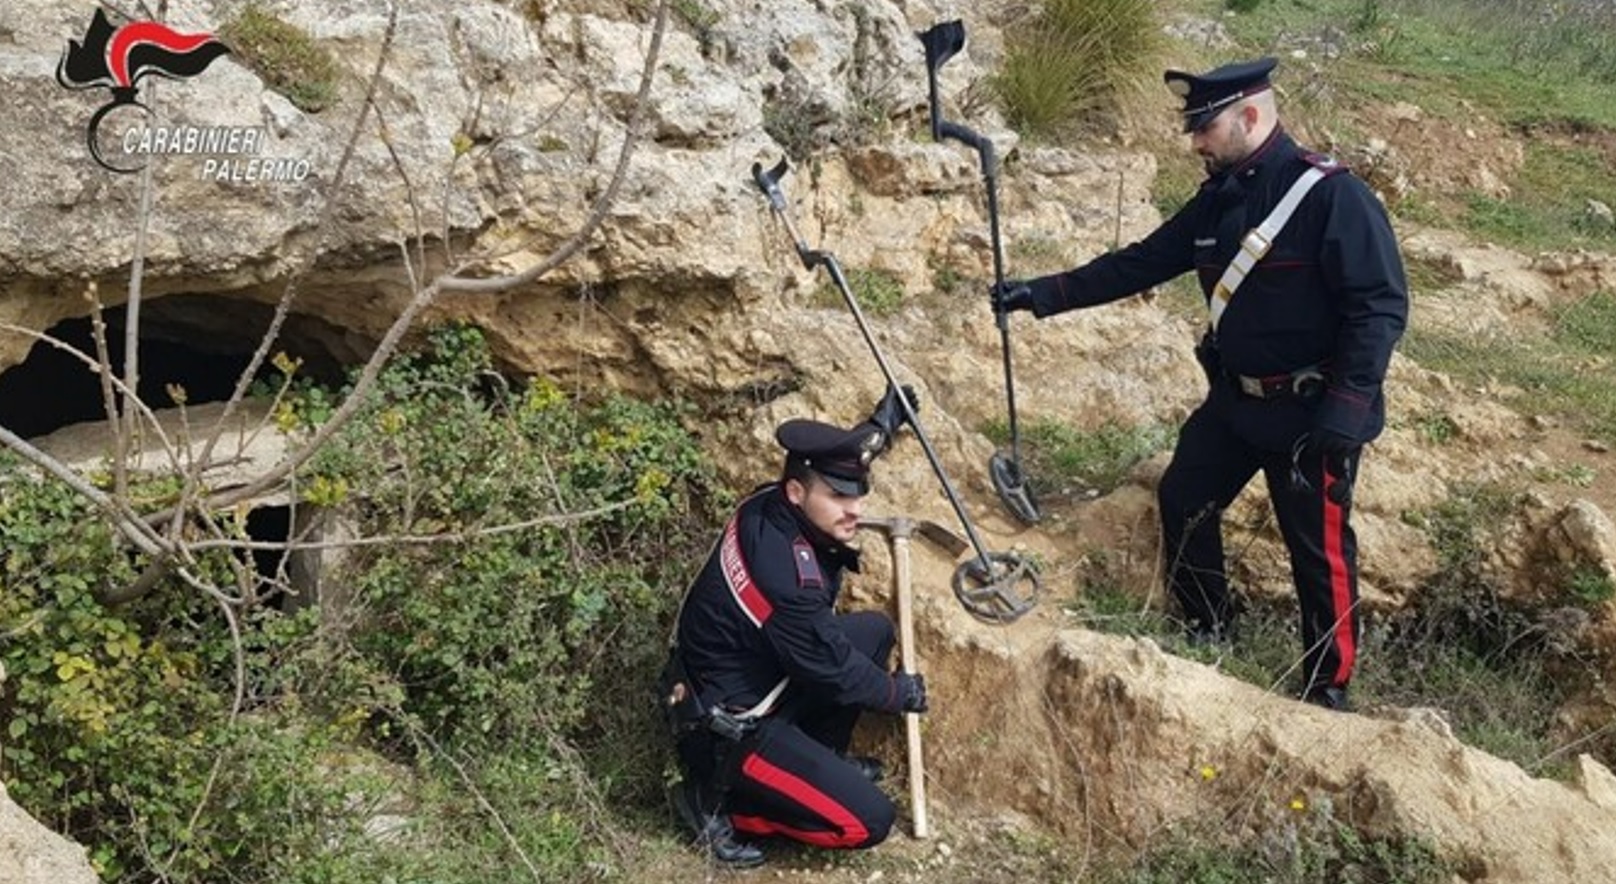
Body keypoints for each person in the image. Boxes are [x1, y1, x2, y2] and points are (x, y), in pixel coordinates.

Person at [993, 57, 1407, 711]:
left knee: (1318, 552)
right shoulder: (1220, 196)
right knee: (1185, 497)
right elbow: (1143, 261)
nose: (1195, 142)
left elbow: (1379, 306)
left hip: (1310, 412)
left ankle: (1327, 686)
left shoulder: (1330, 195)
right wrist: (1042, 294)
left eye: (1204, 127)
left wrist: (1346, 410)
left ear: (1249, 116)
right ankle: (1209, 623)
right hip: (1235, 403)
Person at [658, 385, 929, 867]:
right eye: (840, 497)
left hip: (757, 674)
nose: (856, 510)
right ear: (797, 493)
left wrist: (881, 425)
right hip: (730, 731)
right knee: (868, 821)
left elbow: (842, 457)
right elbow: (833, 668)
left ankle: (817, 761)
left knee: (872, 632)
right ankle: (718, 805)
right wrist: (896, 694)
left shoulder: (773, 502)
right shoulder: (785, 576)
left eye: (859, 495)